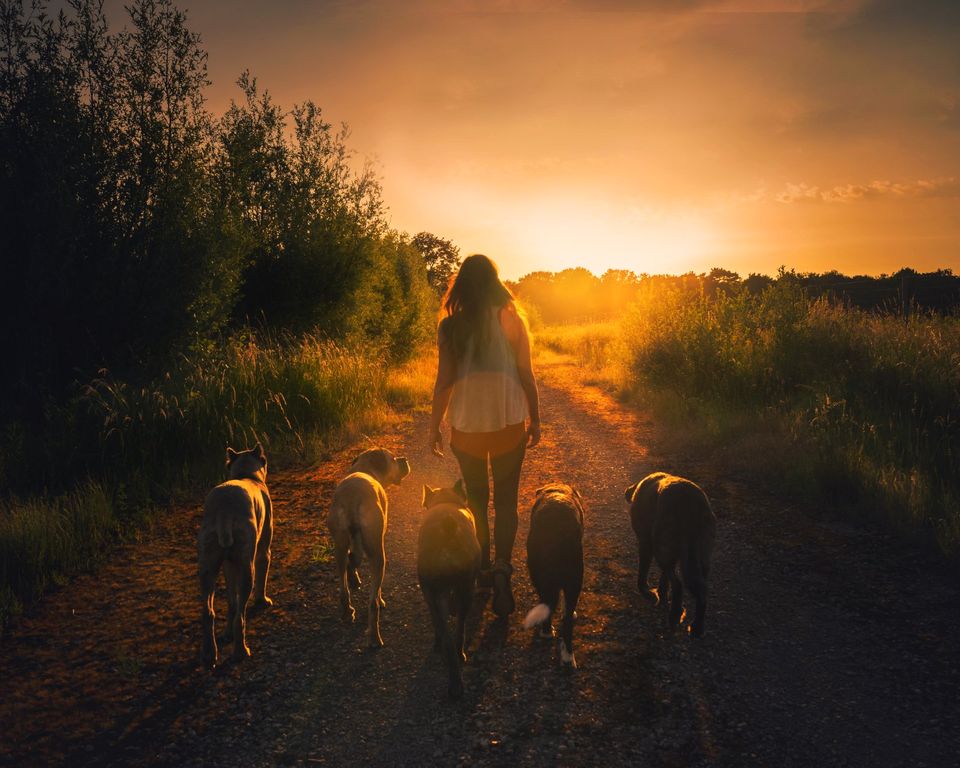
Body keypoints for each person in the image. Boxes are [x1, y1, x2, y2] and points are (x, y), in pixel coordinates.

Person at [428, 254, 541, 618]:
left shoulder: (450, 328)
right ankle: (504, 569)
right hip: (509, 423)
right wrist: (535, 419)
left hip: (468, 427)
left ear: (461, 284)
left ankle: (481, 572)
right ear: (495, 282)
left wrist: (434, 426)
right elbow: (526, 374)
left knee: (477, 500)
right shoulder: (512, 320)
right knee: (506, 501)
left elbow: (444, 383)